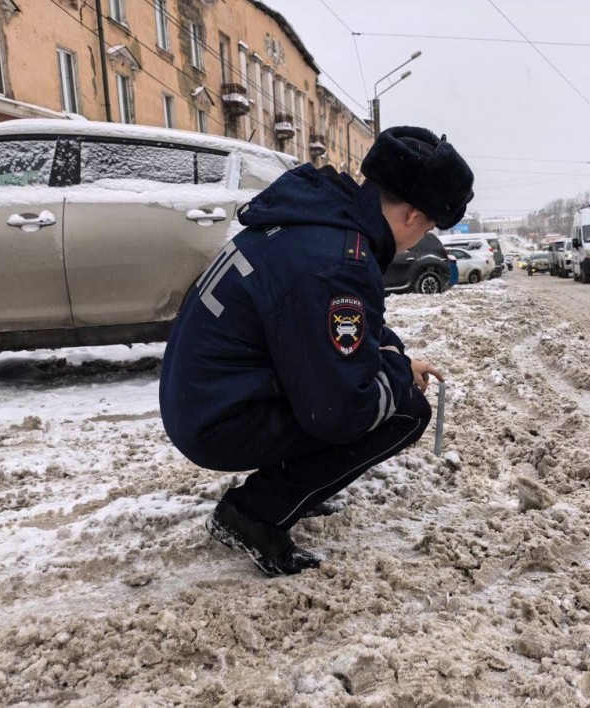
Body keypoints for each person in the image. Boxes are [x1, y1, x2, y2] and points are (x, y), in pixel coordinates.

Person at [159, 126, 474, 576]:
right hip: (218, 419)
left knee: (363, 385)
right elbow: (341, 409)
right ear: (413, 217)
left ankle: (292, 488)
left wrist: (397, 358)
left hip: (204, 398)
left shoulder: (319, 222)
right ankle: (255, 514)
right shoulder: (336, 261)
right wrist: (399, 375)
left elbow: (356, 332)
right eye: (427, 228)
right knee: (404, 411)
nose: (419, 240)